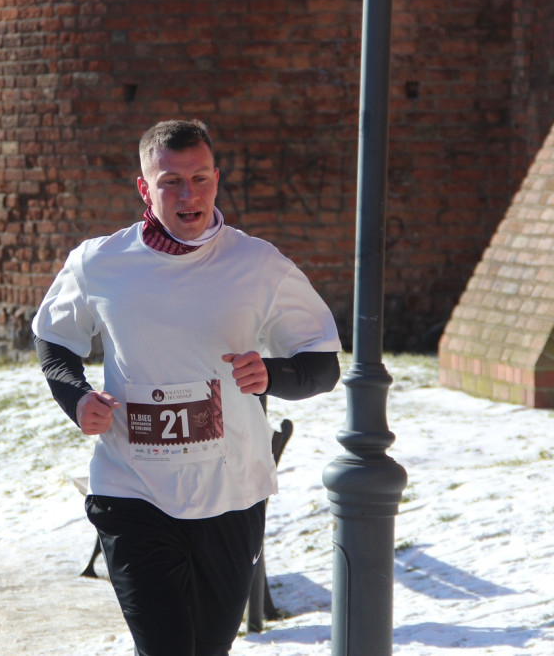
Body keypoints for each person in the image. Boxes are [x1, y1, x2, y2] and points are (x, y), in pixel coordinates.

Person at [32, 119, 342, 655]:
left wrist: (276, 375)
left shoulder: (256, 263)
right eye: (170, 181)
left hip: (231, 494)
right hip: (132, 491)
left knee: (208, 648)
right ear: (143, 188)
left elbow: (323, 362)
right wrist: (76, 398)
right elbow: (53, 341)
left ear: (216, 180)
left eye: (199, 178)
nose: (187, 194)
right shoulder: (100, 263)